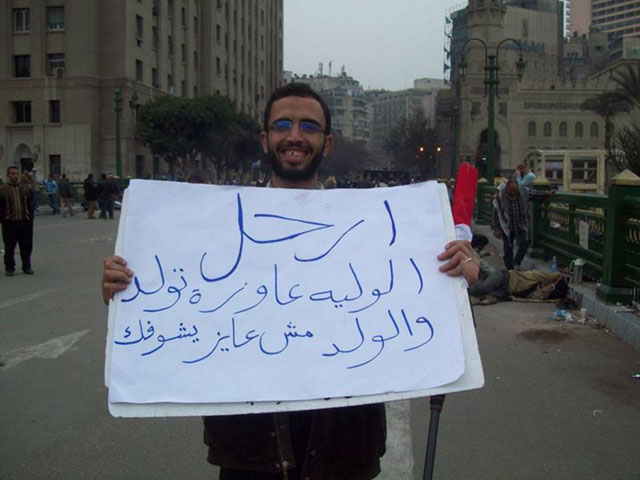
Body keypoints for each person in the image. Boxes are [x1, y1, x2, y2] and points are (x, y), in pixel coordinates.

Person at [100, 83, 480, 479]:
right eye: (282, 125)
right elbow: (177, 303)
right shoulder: (214, 227)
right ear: (265, 139)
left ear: (327, 143)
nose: (295, 135)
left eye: (308, 126)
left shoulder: (373, 227)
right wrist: (124, 289)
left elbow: (426, 322)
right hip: (249, 453)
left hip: (346, 450)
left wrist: (458, 281)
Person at [492, 179, 554, 270]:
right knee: (508, 247)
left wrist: (547, 193)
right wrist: (496, 228)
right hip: (507, 225)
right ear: (507, 189)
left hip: (520, 224)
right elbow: (496, 212)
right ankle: (509, 267)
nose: (513, 194)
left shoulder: (524, 192)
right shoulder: (501, 197)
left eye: (515, 192)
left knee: (526, 241)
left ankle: (516, 262)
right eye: (511, 192)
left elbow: (535, 193)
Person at [0, 166, 34, 276]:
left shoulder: (24, 188)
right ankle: (10, 268)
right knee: (9, 247)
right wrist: (3, 220)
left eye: (17, 173)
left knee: (26, 246)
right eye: (13, 174)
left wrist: (30, 218)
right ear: (8, 175)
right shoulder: (3, 189)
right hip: (10, 222)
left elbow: (31, 203)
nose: (15, 176)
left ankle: (26, 266)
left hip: (24, 222)